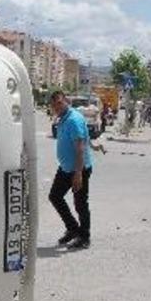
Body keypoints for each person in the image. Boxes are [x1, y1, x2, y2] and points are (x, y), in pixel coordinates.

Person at [48, 90, 95, 249]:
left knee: (80, 203)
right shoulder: (63, 118)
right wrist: (95, 145)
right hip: (66, 168)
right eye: (54, 105)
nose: (57, 107)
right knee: (55, 196)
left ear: (66, 101)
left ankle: (84, 236)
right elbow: (86, 138)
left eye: (59, 103)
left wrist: (78, 174)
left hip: (78, 168)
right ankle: (73, 228)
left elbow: (80, 149)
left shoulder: (73, 119)